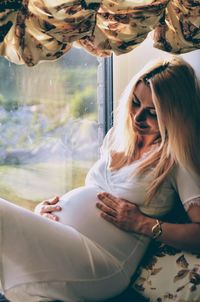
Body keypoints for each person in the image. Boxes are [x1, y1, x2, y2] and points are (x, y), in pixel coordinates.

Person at [0, 56, 200, 302]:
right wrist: (45, 215)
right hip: (71, 245)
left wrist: (142, 223)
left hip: (105, 265)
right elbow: (95, 195)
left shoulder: (176, 160)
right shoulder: (118, 137)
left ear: (176, 116)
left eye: (152, 113)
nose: (137, 117)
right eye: (135, 103)